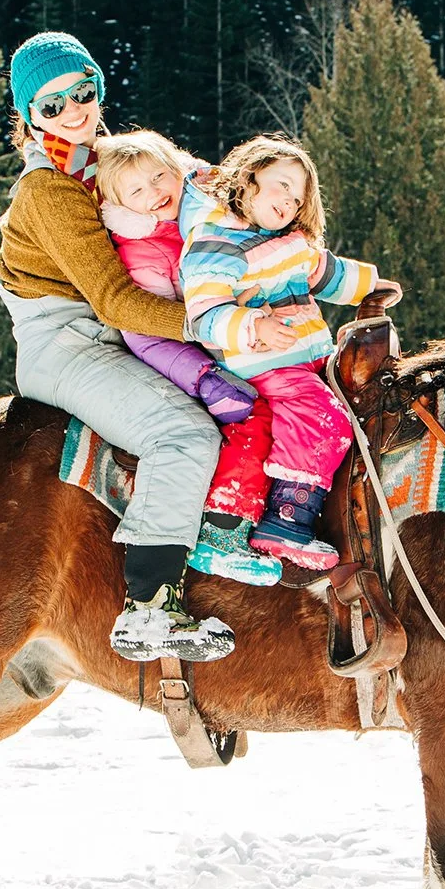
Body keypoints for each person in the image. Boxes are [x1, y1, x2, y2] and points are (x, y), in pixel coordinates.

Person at [0, 31, 233, 662]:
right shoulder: (49, 189)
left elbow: (202, 186)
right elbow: (115, 301)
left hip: (120, 333)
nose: (75, 111)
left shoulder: (110, 159)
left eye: (84, 91)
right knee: (184, 434)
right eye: (52, 105)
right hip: (69, 342)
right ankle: (148, 610)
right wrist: (221, 321)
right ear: (27, 118)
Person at [179, 135, 400, 570]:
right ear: (250, 176)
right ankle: (286, 519)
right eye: (282, 185)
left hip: (304, 357)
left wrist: (369, 285)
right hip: (261, 364)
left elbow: (326, 273)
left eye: (298, 197)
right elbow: (203, 314)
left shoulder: (290, 242)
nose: (289, 201)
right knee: (324, 419)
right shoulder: (215, 242)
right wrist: (252, 324)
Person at [92, 130, 282, 587]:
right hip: (198, 362)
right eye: (137, 190)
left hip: (253, 334)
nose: (156, 192)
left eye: (160, 176)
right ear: (122, 206)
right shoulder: (143, 252)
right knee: (250, 417)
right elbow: (147, 336)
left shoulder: (219, 211)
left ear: (179, 168)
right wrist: (204, 378)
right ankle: (225, 528)